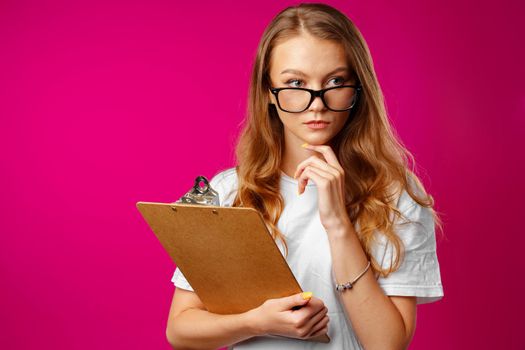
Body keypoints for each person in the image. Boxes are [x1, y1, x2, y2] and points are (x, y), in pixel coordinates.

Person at [166, 3, 444, 349]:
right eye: (295, 82)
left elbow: (386, 345)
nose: (316, 103)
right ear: (269, 91)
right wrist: (258, 321)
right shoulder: (228, 191)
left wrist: (338, 222)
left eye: (335, 81)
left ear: (358, 89)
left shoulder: (393, 194)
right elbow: (180, 330)